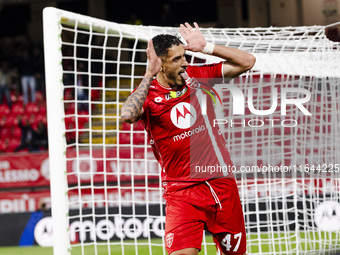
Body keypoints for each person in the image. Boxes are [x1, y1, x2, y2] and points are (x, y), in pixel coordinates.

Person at [121, 22, 255, 255]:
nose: (184, 63)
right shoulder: (149, 94)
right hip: (181, 192)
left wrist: (206, 47)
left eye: (184, 56)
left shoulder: (197, 75)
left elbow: (247, 62)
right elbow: (128, 115)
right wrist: (147, 75)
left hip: (220, 185)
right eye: (176, 59)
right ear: (160, 65)